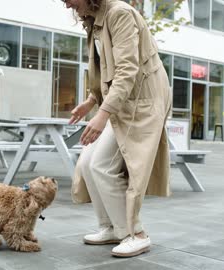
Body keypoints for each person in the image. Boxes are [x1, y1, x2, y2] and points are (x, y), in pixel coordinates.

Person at [63, 0, 172, 258]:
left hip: (141, 101)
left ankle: (136, 234)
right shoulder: (94, 17)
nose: (66, 3)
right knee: (88, 163)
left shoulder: (119, 13)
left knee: (102, 164)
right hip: (123, 101)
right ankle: (111, 227)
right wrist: (91, 101)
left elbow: (126, 70)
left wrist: (102, 115)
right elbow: (102, 68)